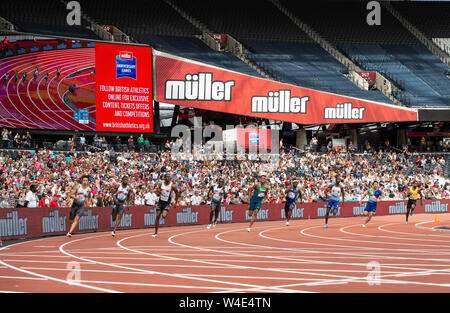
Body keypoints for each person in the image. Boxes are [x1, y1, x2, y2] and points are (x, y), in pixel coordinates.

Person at [153, 173, 179, 237]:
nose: (168, 178)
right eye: (166, 177)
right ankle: (155, 232)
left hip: (167, 202)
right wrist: (158, 192)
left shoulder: (172, 186)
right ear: (164, 178)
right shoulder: (160, 184)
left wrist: (175, 202)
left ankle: (166, 211)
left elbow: (177, 193)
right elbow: (157, 193)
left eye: (169, 177)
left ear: (170, 178)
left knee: (164, 216)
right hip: (160, 202)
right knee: (158, 216)